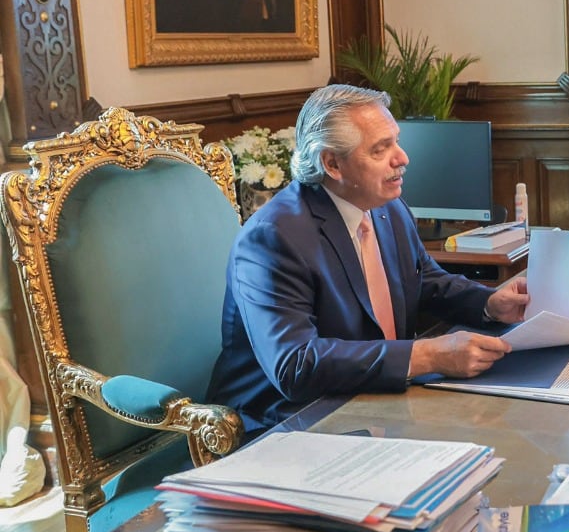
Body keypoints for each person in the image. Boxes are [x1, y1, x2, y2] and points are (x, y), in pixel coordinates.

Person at [207, 85, 528, 435]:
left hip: (374, 400)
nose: (402, 158)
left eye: (396, 141)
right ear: (332, 163)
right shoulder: (273, 237)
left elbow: (424, 282)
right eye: (381, 149)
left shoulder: (388, 206)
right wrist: (428, 356)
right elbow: (295, 365)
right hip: (288, 422)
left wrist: (489, 304)